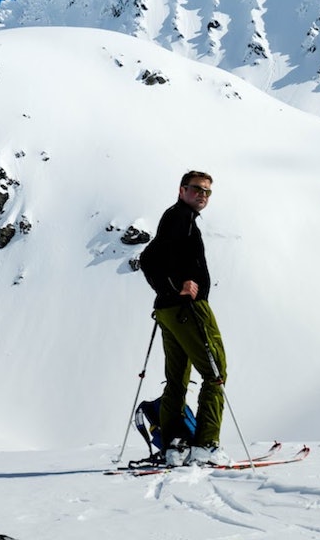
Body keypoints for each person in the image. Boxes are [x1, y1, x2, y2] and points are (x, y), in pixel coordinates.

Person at [139, 170, 228, 466]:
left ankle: (175, 446)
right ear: (182, 190)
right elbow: (149, 259)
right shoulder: (182, 218)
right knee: (215, 372)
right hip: (187, 310)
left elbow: (150, 258)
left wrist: (168, 290)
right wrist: (177, 288)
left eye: (206, 192)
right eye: (196, 189)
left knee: (177, 378)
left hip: (168, 310)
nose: (202, 195)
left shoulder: (177, 217)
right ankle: (206, 445)